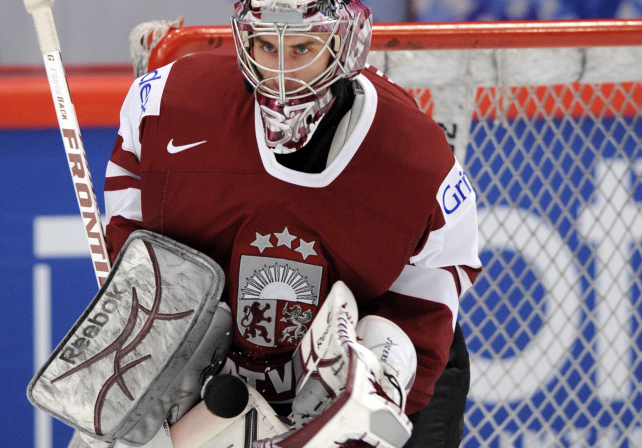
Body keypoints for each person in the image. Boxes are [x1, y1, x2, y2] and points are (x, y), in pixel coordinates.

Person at [103, 0, 482, 446]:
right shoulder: (169, 102)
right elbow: (130, 223)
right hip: (220, 378)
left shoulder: (416, 156)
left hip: (368, 383)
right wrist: (153, 324)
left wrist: (373, 391)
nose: (281, 72)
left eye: (302, 48)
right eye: (266, 45)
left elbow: (431, 294)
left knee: (384, 353)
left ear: (345, 43)